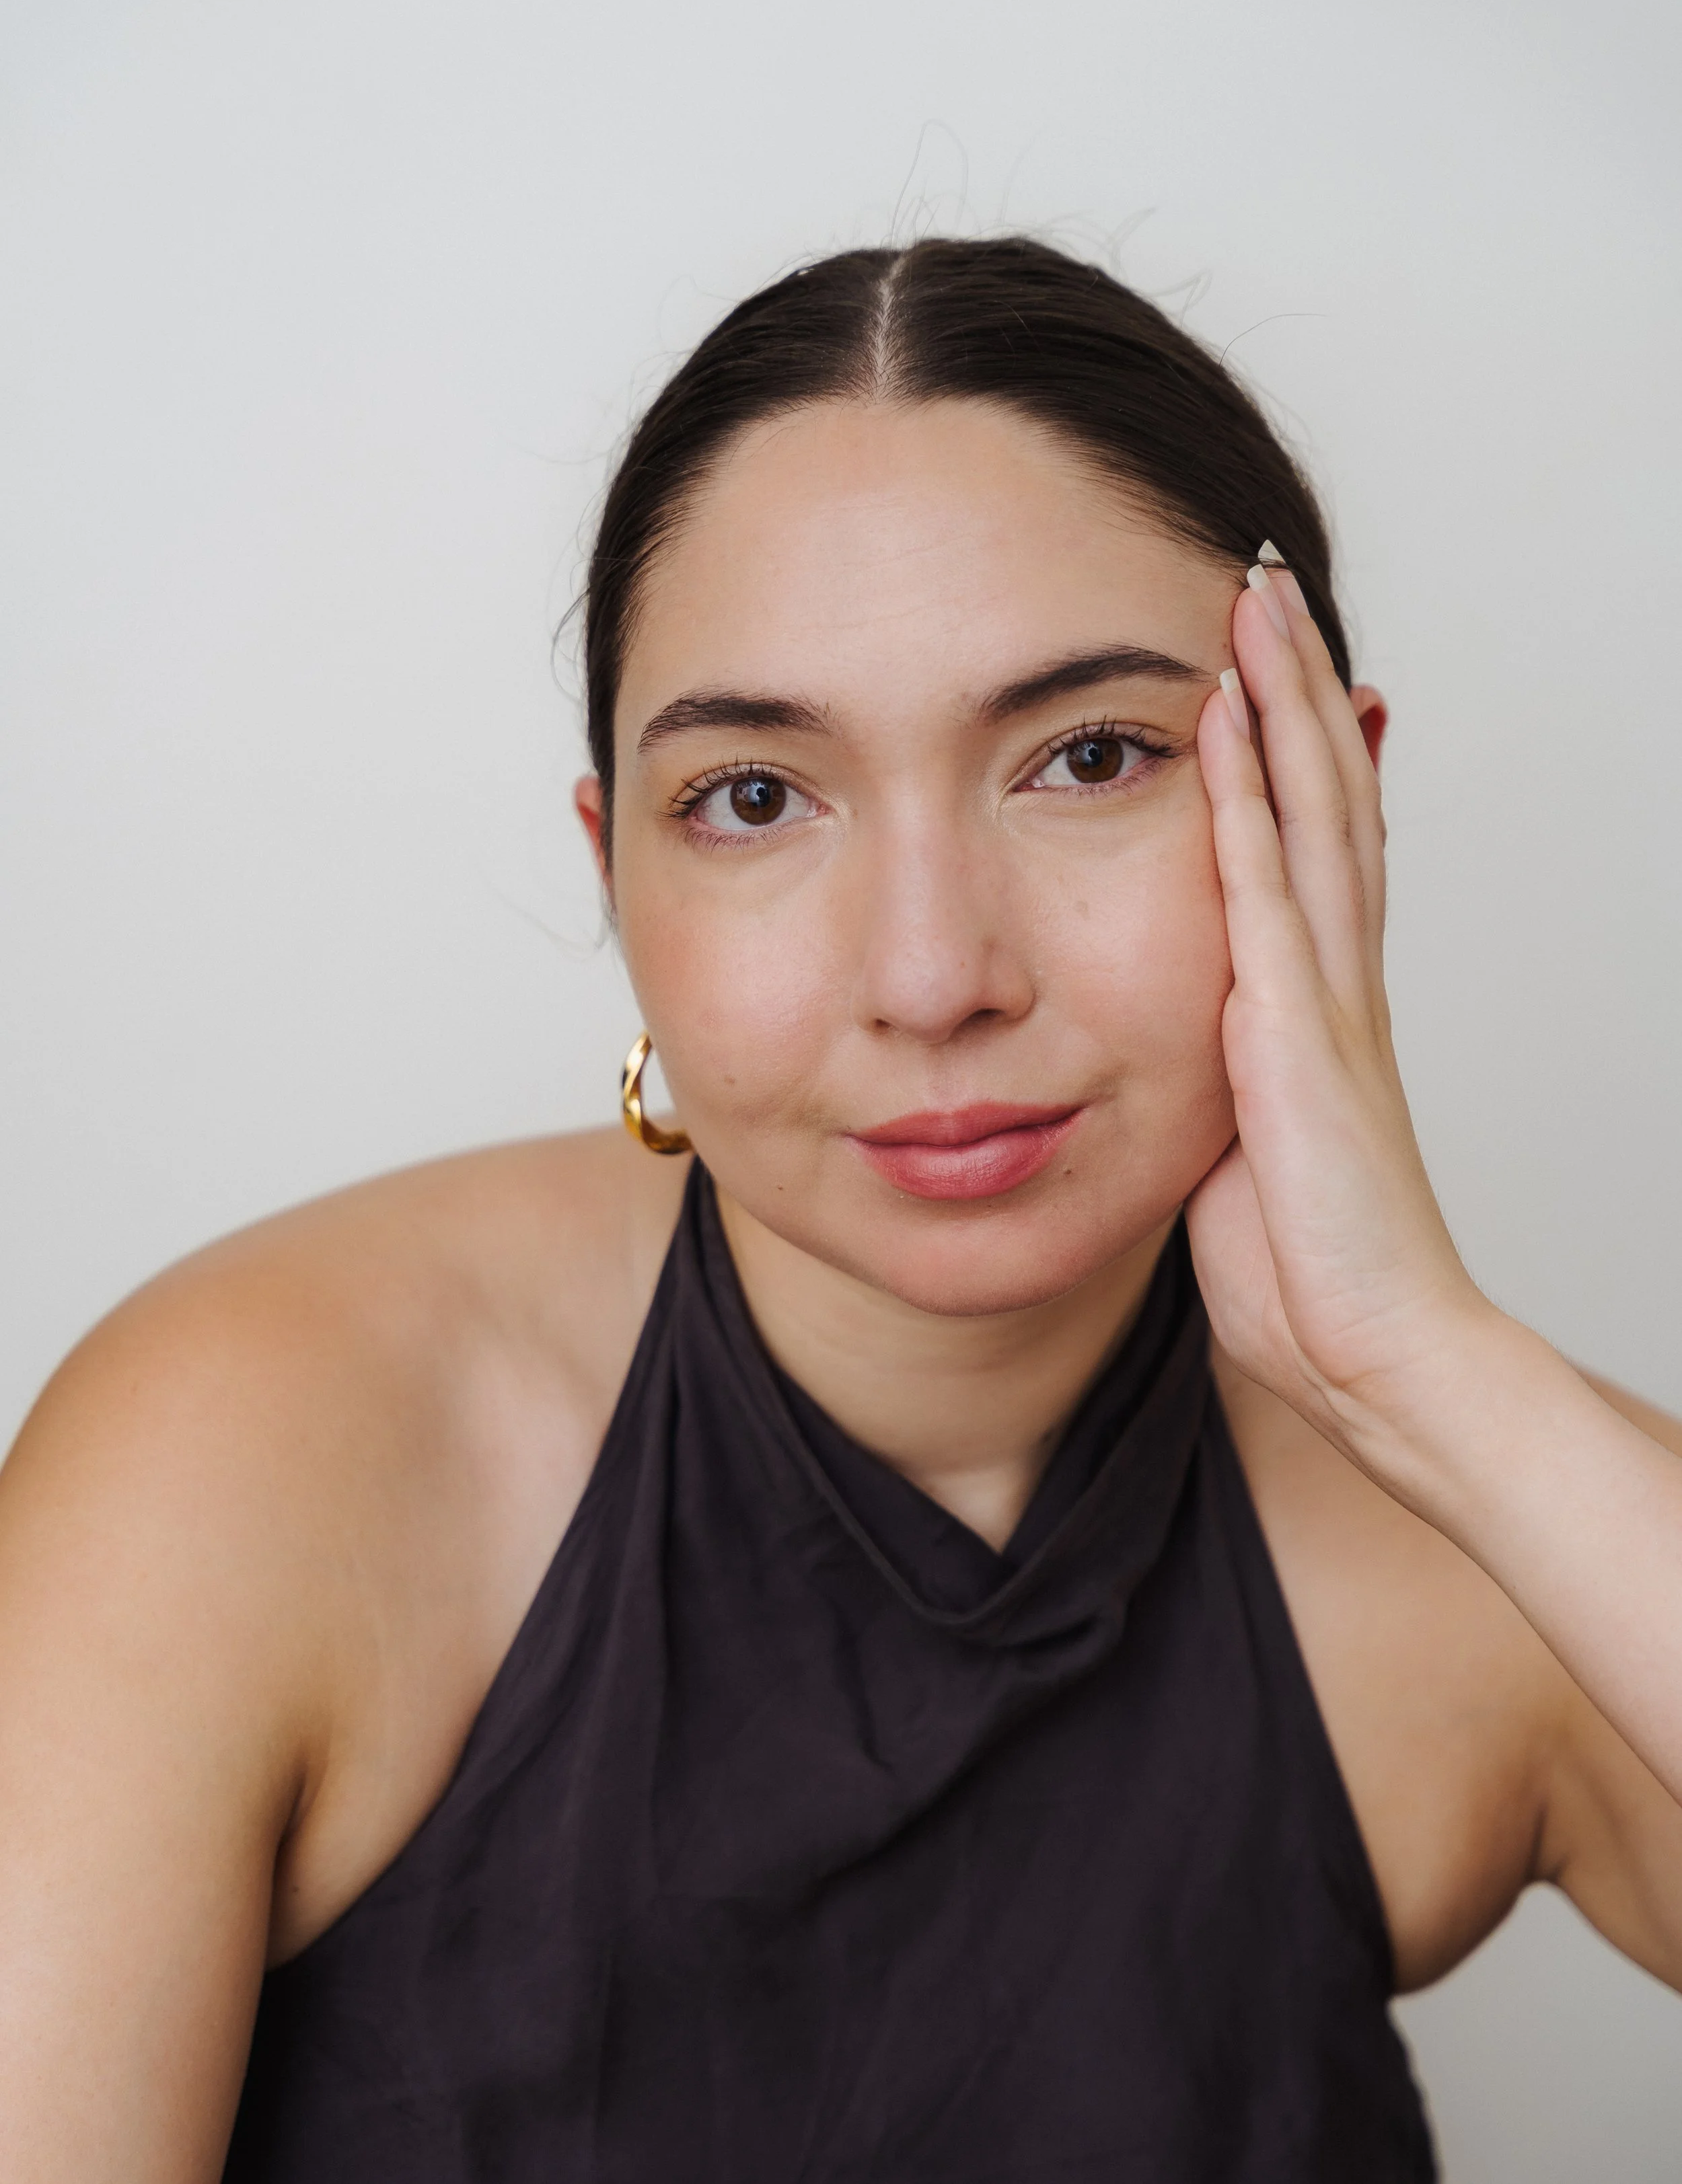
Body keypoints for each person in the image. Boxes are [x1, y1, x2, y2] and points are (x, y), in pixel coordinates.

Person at [2, 235, 1679, 2183]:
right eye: (751, 797)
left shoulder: (1491, 1540)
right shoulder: (247, 1456)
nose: (932, 974)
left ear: (1330, 808)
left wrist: (1424, 1370)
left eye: (1090, 757)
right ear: (615, 872)